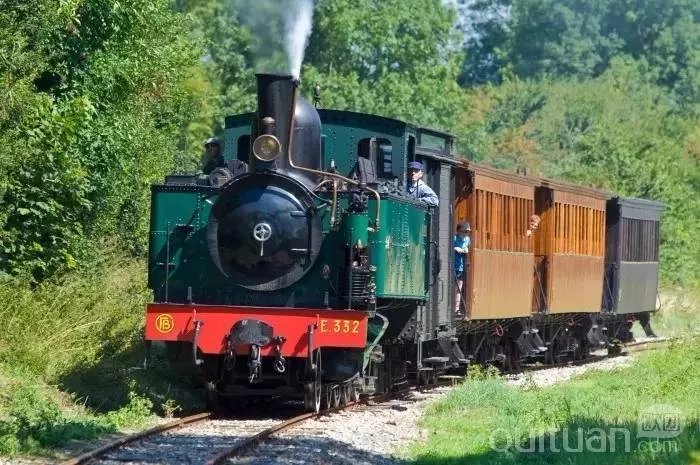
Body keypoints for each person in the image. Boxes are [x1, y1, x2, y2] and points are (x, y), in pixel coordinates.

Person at [454, 221, 471, 316]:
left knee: (459, 288)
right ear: (458, 231)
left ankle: (456, 309)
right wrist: (455, 248)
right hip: (452, 266)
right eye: (464, 231)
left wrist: (465, 250)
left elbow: (467, 248)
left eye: (467, 232)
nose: (465, 234)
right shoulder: (454, 238)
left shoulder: (467, 240)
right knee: (454, 287)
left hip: (460, 267)